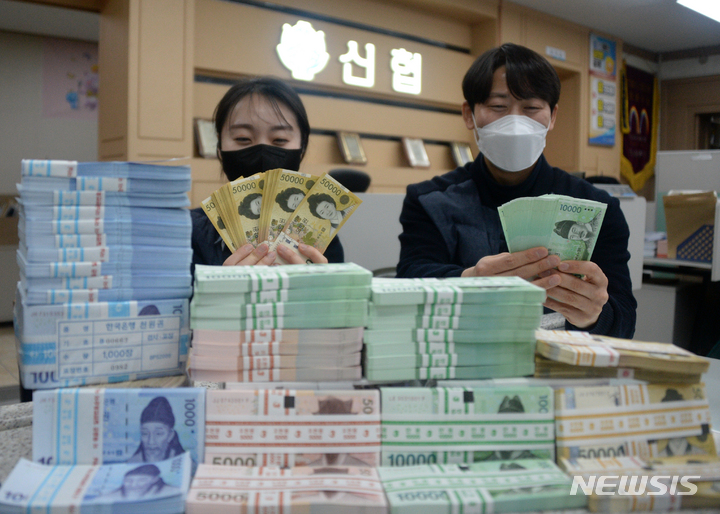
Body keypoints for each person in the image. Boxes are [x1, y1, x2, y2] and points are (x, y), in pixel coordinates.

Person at [396, 43, 635, 338]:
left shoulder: (596, 208)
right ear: (469, 114)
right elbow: (408, 281)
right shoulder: (430, 200)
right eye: (498, 107)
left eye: (531, 108)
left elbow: (623, 322)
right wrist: (468, 280)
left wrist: (593, 314)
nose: (515, 123)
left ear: (553, 116)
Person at [191, 76, 343, 267]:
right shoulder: (189, 233)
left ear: (302, 148)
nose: (262, 151)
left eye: (279, 140)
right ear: (219, 148)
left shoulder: (322, 236)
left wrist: (319, 289)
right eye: (243, 138)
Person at [128, 396, 186, 463]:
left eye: (159, 433)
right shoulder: (131, 463)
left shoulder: (185, 463)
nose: (151, 442)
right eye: (145, 433)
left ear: (170, 435)